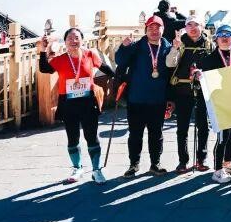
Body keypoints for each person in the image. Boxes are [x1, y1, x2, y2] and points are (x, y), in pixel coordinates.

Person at [38, 28, 115, 184]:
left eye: (77, 38)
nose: (74, 41)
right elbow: (44, 68)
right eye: (70, 38)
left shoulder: (89, 54)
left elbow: (106, 69)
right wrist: (42, 50)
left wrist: (120, 77)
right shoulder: (60, 59)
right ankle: (77, 168)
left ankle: (96, 170)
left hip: (88, 102)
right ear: (65, 42)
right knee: (72, 137)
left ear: (82, 40)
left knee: (91, 136)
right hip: (68, 103)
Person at [115, 15, 174, 176]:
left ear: (163, 29)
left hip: (158, 99)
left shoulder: (168, 47)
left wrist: (170, 98)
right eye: (150, 28)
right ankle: (134, 164)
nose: (154, 31)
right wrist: (124, 47)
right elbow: (120, 60)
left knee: (156, 134)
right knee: (135, 134)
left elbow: (172, 72)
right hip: (137, 98)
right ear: (146, 30)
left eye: (157, 28)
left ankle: (155, 163)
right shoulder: (136, 46)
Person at [194, 25, 231, 183]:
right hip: (219, 104)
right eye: (221, 35)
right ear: (216, 39)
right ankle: (217, 171)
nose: (224, 38)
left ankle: (227, 163)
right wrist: (198, 76)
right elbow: (200, 78)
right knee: (223, 137)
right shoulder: (209, 58)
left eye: (228, 35)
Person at [165, 15, 212, 173]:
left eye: (196, 24)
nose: (192, 27)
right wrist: (175, 48)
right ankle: (183, 161)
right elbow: (170, 64)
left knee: (203, 126)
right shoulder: (180, 43)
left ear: (202, 27)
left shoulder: (208, 45)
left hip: (202, 90)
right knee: (182, 127)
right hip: (182, 90)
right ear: (185, 27)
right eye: (189, 24)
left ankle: (201, 159)